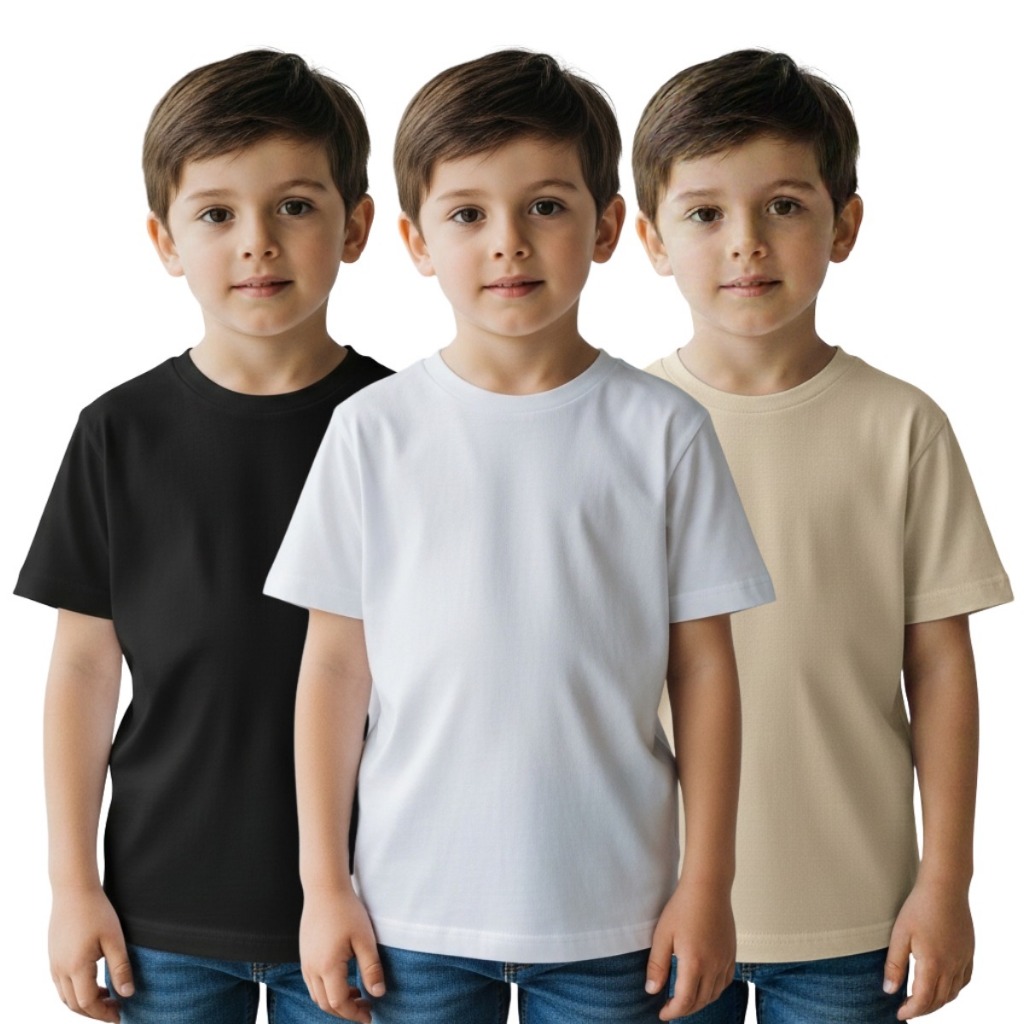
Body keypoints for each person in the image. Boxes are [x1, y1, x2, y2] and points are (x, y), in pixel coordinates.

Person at [264, 49, 775, 1024]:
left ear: (607, 226)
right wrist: (323, 885)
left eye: (545, 205)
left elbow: (704, 669)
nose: (509, 244)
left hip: (618, 920)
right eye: (467, 215)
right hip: (408, 918)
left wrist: (707, 884)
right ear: (416, 241)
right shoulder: (371, 431)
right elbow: (332, 668)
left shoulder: (662, 429)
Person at [632, 48, 1013, 1023]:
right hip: (650, 910)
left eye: (783, 206)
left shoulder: (901, 426)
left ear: (843, 226)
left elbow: (940, 669)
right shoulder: (618, 427)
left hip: (854, 915)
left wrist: (946, 881)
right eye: (705, 213)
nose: (746, 244)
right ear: (649, 237)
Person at [15, 48, 391, 1024]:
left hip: (374, 905)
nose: (257, 243)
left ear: (355, 226)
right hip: (163, 911)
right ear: (165, 239)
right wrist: (71, 885)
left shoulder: (406, 427)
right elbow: (83, 669)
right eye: (217, 214)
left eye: (294, 206)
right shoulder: (119, 432)